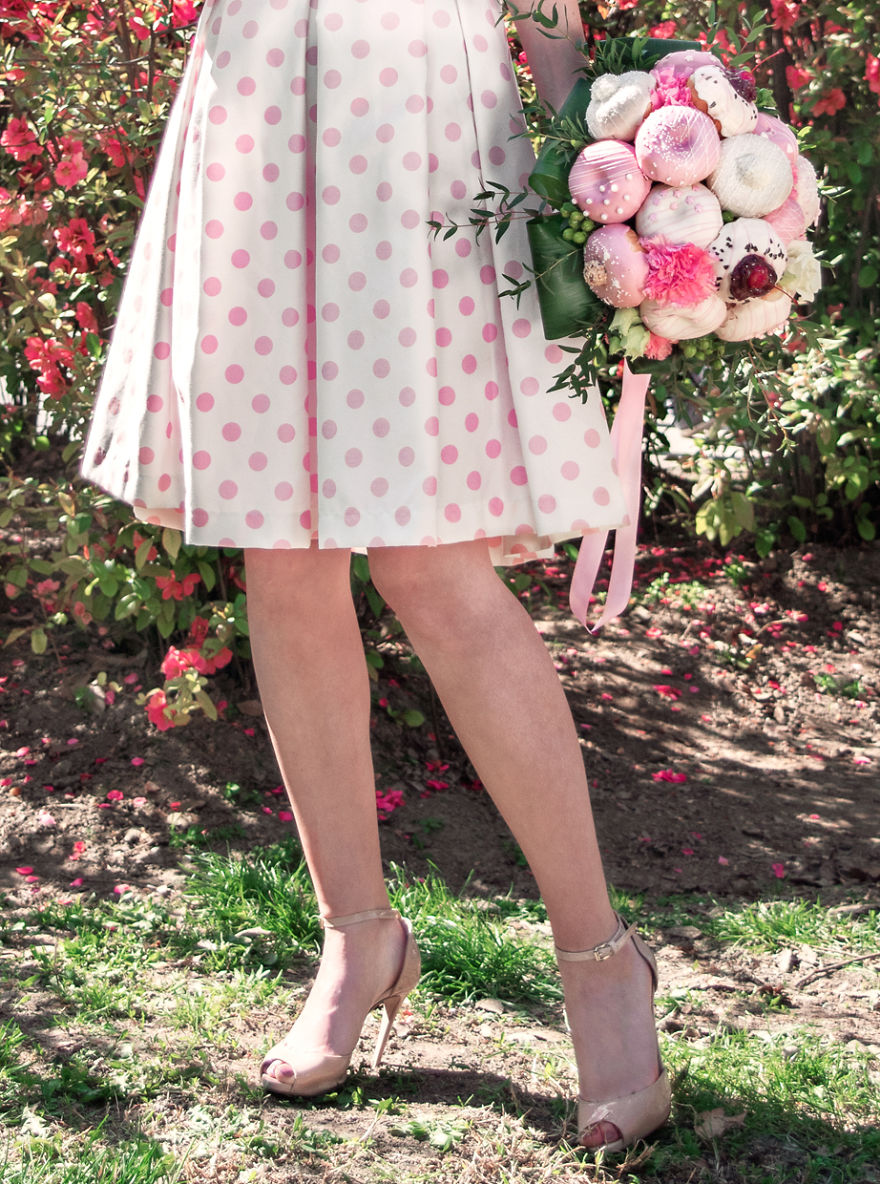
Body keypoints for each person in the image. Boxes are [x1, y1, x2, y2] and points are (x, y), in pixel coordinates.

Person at [81, 0, 669, 1151]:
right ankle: (356, 935)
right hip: (257, 112)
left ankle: (602, 962)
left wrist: (592, 166)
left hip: (424, 138)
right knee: (284, 560)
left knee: (432, 568)